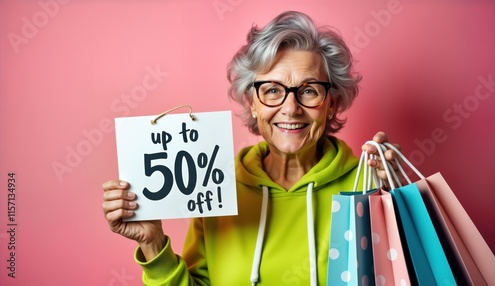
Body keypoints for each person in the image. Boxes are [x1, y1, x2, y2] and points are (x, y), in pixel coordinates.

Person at [102, 11, 401, 285]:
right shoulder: (217, 186)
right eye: (272, 90)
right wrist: (152, 243)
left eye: (309, 91)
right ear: (252, 104)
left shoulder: (368, 186)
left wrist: (397, 203)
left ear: (331, 105)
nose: (291, 108)